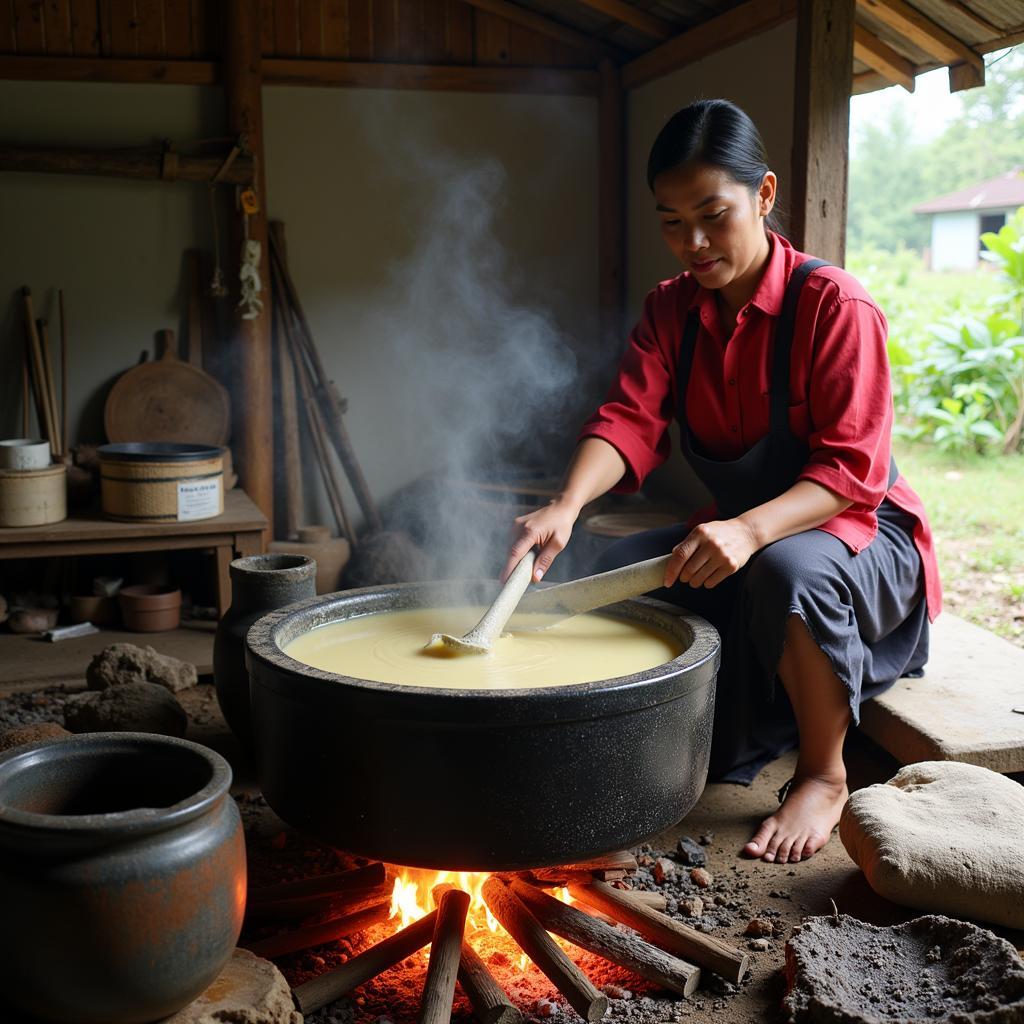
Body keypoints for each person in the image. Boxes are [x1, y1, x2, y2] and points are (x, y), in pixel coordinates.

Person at [502, 99, 941, 865]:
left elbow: (850, 471)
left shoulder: (835, 305)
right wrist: (567, 506)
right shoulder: (670, 311)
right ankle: (655, 741)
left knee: (784, 568)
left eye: (713, 215)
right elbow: (630, 418)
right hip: (741, 531)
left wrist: (748, 529)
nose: (693, 244)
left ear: (765, 195)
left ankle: (822, 774)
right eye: (672, 222)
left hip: (857, 536)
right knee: (601, 573)